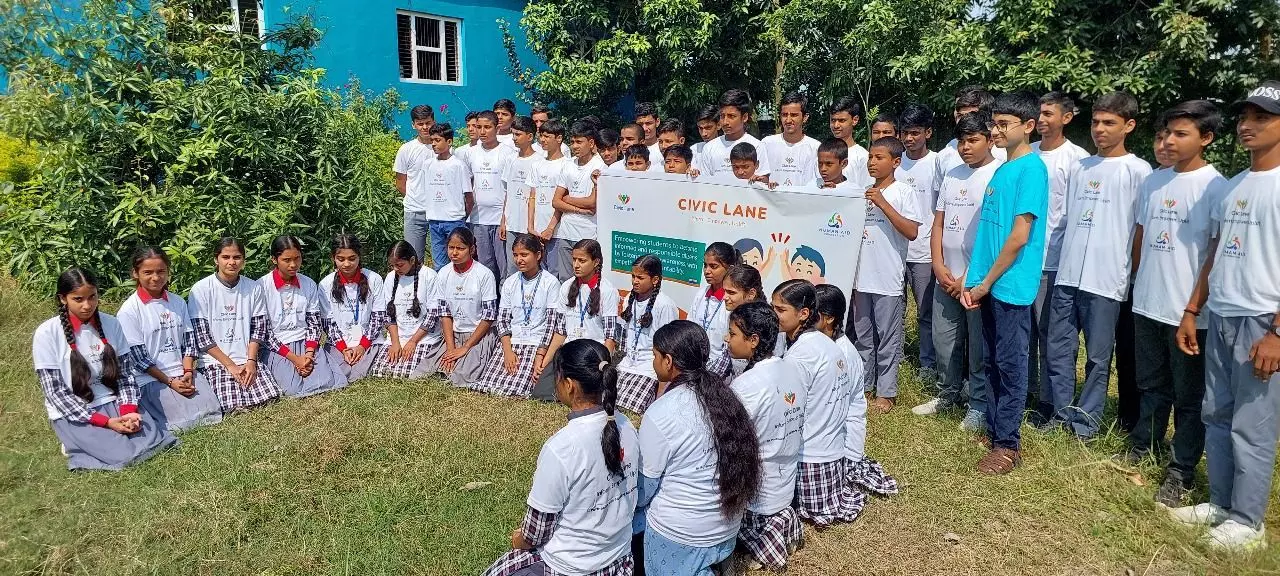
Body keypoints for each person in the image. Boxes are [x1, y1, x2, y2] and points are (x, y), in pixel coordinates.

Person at [1168, 81, 1280, 551]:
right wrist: (1193, 309)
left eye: (1262, 118)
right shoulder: (1234, 186)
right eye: (1244, 117)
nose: (1247, 125)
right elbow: (1214, 254)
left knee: (1252, 424)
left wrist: (1276, 334)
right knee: (1216, 412)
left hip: (1263, 319)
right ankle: (1219, 502)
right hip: (1222, 313)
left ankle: (1248, 522)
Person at [1126, 100, 1227, 508]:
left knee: (1189, 397)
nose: (1169, 140)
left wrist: (1193, 309)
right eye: (1167, 132)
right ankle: (1143, 445)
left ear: (1206, 138)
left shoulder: (1216, 188)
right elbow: (1141, 236)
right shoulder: (1154, 181)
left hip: (1189, 314)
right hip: (1147, 302)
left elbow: (1215, 255)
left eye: (1181, 133)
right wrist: (1137, 282)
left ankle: (1181, 471)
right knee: (1151, 385)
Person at [482, 339, 640, 576]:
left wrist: (518, 539)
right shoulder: (627, 426)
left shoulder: (562, 447)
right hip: (618, 560)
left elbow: (536, 533)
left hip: (568, 567)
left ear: (569, 385)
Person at [1045, 91, 1153, 439]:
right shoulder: (1081, 167)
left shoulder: (1138, 170)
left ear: (1129, 125)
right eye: (1095, 122)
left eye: (1109, 123)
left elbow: (1140, 229)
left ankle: (1086, 423)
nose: (1099, 129)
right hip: (1068, 275)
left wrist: (1131, 273)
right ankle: (1060, 414)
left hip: (1106, 280)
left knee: (1097, 358)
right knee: (1059, 351)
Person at [961, 91, 1049, 475]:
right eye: (993, 123)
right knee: (993, 360)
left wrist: (987, 282)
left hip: (1010, 284)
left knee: (1011, 364)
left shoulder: (1032, 170)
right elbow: (988, 235)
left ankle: (1008, 445)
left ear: (1028, 126)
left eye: (1003, 124)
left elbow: (1018, 236)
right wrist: (975, 281)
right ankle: (997, 428)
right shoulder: (1002, 169)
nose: (995, 131)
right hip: (989, 282)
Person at [639, 320, 761, 575]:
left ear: (668, 361)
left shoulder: (660, 413)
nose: (653, 362)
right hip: (725, 534)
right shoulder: (727, 400)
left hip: (680, 538)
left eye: (655, 356)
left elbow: (644, 491)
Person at [33, 267, 178, 471]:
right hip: (78, 410)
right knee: (124, 455)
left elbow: (126, 376)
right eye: (78, 299)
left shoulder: (111, 324)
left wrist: (129, 411)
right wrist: (106, 422)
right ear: (63, 298)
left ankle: (93, 439)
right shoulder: (47, 333)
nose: (87, 305)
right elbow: (55, 393)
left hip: (113, 400)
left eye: (92, 297)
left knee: (153, 440)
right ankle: (75, 442)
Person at [911, 112, 1002, 434]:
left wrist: (970, 276)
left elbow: (996, 233)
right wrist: (938, 264)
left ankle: (978, 404)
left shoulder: (998, 174)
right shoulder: (952, 175)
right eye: (962, 141)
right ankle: (947, 392)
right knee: (945, 340)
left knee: (978, 346)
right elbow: (938, 223)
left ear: (990, 140)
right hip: (946, 276)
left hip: (975, 281)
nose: (966, 147)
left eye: (973, 140)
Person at [724, 302, 805, 570]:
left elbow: (728, 443)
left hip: (758, 500)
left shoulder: (747, 385)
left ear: (754, 340)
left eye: (733, 334)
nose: (727, 339)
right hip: (784, 490)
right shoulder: (791, 369)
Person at [772, 280, 860, 525]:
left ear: (803, 314)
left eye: (780, 309)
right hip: (830, 458)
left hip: (808, 460)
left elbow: (787, 410)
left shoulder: (801, 354)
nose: (773, 314)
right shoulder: (826, 344)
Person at [851, 137, 924, 413]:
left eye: (879, 157)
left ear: (896, 162)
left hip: (887, 278)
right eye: (870, 157)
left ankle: (887, 391)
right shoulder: (862, 192)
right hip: (861, 278)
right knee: (863, 337)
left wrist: (883, 203)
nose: (872, 162)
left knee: (887, 338)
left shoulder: (903, 192)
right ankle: (864, 385)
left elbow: (912, 231)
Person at [117, 246, 223, 432]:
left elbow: (189, 342)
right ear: (135, 273)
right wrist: (170, 382)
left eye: (161, 271)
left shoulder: (178, 302)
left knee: (211, 412)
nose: (156, 277)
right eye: (148, 272)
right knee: (181, 423)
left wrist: (188, 371)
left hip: (182, 372)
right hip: (151, 378)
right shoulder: (129, 311)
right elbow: (139, 359)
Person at [1030, 91, 1090, 415]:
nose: (1041, 119)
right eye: (1039, 113)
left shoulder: (1076, 159)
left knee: (1052, 335)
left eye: (1048, 114)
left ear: (1066, 118)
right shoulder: (1028, 154)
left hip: (1054, 262)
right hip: (1022, 259)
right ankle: (1027, 392)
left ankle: (1052, 401)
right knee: (1025, 334)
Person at [814, 284, 898, 498]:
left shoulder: (842, 354)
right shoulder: (820, 344)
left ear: (829, 319)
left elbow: (839, 410)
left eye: (811, 314)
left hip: (839, 447)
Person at [188, 238, 282, 412]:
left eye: (237, 257)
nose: (232, 262)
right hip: (216, 361)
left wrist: (251, 361)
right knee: (232, 406)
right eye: (226, 257)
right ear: (216, 259)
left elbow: (258, 328)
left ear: (243, 260)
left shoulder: (253, 287)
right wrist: (230, 365)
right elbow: (202, 337)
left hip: (246, 358)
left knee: (269, 397)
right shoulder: (201, 289)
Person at [259, 236, 347, 397]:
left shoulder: (308, 284)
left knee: (327, 381)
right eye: (286, 260)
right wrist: (294, 359)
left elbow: (314, 323)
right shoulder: (261, 287)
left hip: (305, 343)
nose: (293, 265)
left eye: (297, 258)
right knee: (292, 389)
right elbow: (264, 333)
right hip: (277, 347)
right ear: (274, 259)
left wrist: (309, 354)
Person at [474, 235, 561, 398]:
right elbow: (503, 320)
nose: (519, 260)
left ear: (538, 255)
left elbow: (551, 324)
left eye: (524, 255)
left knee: (518, 389)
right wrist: (507, 351)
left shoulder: (550, 283)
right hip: (512, 342)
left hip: (536, 344)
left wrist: (541, 354)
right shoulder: (510, 282)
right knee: (490, 385)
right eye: (515, 255)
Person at [538, 239, 621, 400]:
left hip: (592, 355)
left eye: (582, 261)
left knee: (582, 394)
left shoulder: (607, 290)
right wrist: (545, 363)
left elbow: (610, 338)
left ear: (596, 262)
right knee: (541, 394)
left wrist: (603, 367)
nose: (576, 265)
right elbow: (560, 332)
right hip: (568, 351)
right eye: (574, 259)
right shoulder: (566, 287)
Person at [897, 103, 944, 380]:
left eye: (915, 132)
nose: (909, 138)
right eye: (905, 132)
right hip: (894, 250)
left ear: (928, 132)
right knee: (896, 310)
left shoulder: (938, 163)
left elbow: (941, 210)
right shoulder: (894, 161)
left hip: (924, 251)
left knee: (926, 311)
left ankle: (928, 364)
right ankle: (896, 358)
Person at [430, 226, 499, 388]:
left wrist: (466, 346)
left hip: (479, 335)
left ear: (472, 249)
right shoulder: (443, 273)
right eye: (451, 248)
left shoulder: (484, 274)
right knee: (428, 369)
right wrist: (450, 348)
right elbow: (445, 314)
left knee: (461, 374)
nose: (454, 253)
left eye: (460, 248)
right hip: (453, 334)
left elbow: (488, 317)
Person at [319, 234, 388, 383]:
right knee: (339, 371)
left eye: (352, 258)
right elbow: (328, 323)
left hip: (369, 340)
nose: (347, 264)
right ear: (333, 258)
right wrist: (343, 348)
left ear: (359, 256)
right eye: (341, 259)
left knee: (359, 370)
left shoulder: (374, 279)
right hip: (339, 344)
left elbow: (378, 317)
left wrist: (362, 346)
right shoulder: (325, 284)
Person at [370, 241, 444, 379]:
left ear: (412, 260)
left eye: (399, 265)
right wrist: (395, 342)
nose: (395, 269)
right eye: (392, 265)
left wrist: (413, 341)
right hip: (398, 337)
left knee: (408, 374)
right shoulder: (390, 277)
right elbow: (388, 315)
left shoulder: (429, 276)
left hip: (423, 338)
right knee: (380, 371)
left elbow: (433, 315)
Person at [616, 254, 679, 413]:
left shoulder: (664, 305)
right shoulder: (628, 299)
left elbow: (668, 347)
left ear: (655, 280)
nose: (635, 281)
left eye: (640, 278)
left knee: (630, 408)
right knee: (606, 400)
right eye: (633, 276)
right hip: (627, 364)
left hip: (648, 370)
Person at [549, 120, 606, 281]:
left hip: (587, 234)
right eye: (572, 142)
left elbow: (592, 203)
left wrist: (567, 199)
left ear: (591, 143)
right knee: (565, 280)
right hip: (565, 232)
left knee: (586, 280)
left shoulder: (600, 167)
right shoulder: (568, 165)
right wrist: (579, 209)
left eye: (579, 142)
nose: (574, 146)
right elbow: (556, 201)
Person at [466, 110, 515, 280]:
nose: (482, 131)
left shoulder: (508, 153)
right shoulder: (470, 153)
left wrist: (504, 219)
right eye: (479, 127)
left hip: (500, 219)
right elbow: (468, 185)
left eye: (487, 127)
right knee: (485, 266)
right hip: (478, 219)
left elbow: (510, 189)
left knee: (504, 266)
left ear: (497, 128)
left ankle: (504, 297)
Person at [423, 123, 475, 270]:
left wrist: (461, 216)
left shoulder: (458, 165)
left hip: (454, 221)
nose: (434, 144)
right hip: (434, 220)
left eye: (437, 140)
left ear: (449, 141)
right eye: (432, 140)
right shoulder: (427, 164)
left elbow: (469, 197)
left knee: (459, 260)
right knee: (439, 263)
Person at [695, 89, 773, 177]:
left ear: (744, 117)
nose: (725, 122)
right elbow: (706, 182)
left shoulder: (757, 146)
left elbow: (762, 180)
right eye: (722, 116)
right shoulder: (709, 148)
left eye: (731, 116)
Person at [395, 104, 436, 263]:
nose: (425, 127)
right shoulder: (406, 149)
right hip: (414, 211)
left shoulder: (444, 147)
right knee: (412, 259)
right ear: (413, 125)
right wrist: (416, 198)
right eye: (420, 124)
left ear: (434, 121)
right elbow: (400, 183)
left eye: (428, 122)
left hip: (439, 212)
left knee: (442, 259)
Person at [502, 116, 541, 278]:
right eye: (513, 134)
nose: (514, 138)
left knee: (532, 268)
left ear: (530, 136)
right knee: (512, 269)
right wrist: (503, 220)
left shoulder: (539, 161)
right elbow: (507, 192)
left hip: (530, 226)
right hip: (511, 223)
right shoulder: (510, 159)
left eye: (518, 134)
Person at [936, 86, 1008, 173]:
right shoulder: (946, 154)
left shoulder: (1003, 157)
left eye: (971, 115)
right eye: (960, 116)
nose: (964, 120)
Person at [529, 119, 571, 268]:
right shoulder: (536, 164)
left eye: (547, 136)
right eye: (541, 135)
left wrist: (551, 228)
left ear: (559, 138)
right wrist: (530, 226)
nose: (542, 140)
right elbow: (532, 197)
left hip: (557, 231)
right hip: (537, 230)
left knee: (554, 271)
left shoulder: (567, 165)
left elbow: (563, 200)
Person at [692, 242, 737, 377]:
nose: (706, 271)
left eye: (713, 266)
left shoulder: (732, 301)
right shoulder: (701, 294)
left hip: (722, 370)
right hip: (695, 364)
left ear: (730, 269)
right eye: (705, 265)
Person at [762, 92, 820, 188]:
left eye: (794, 115)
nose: (788, 120)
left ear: (805, 118)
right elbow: (759, 177)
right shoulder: (766, 144)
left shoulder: (816, 148)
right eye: (784, 115)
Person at [829, 95, 872, 188]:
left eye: (841, 120)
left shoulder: (863, 157)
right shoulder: (823, 153)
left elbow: (866, 190)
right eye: (833, 120)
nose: (836, 125)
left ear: (855, 120)